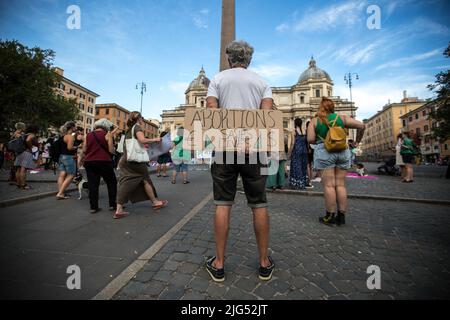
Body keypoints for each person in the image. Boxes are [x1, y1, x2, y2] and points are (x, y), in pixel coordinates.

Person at [205, 40, 275, 282]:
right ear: (249, 60)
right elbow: (266, 116)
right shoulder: (262, 83)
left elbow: (211, 111)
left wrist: (229, 138)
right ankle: (264, 263)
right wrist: (249, 139)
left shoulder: (218, 80)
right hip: (254, 149)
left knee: (223, 204)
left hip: (225, 148)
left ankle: (219, 263)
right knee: (259, 204)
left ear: (229, 59)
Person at [307, 97, 365, 226]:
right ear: (332, 107)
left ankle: (330, 216)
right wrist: (357, 142)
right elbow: (362, 126)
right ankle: (342, 216)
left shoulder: (315, 121)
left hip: (325, 151)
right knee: (340, 185)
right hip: (342, 150)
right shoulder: (342, 119)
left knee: (329, 185)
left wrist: (319, 136)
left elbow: (310, 139)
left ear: (320, 108)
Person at [115, 112, 168, 219]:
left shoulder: (129, 129)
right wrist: (155, 139)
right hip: (136, 160)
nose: (142, 120)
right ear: (138, 118)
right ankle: (154, 202)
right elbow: (142, 139)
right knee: (144, 179)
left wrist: (144, 144)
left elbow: (133, 144)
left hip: (128, 159)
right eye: (142, 118)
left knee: (129, 181)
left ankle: (119, 209)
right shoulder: (137, 127)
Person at [80, 119, 119, 213]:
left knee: (93, 184)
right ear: (105, 126)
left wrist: (81, 160)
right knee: (111, 183)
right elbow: (110, 150)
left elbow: (84, 150)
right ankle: (112, 205)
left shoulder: (88, 135)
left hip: (90, 162)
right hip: (104, 161)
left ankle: (93, 207)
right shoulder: (107, 134)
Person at [56, 121, 79, 200]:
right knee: (71, 175)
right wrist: (76, 147)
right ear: (72, 128)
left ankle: (61, 192)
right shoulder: (70, 136)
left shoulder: (63, 136)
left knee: (62, 174)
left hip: (61, 157)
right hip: (69, 157)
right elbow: (69, 148)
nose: (76, 128)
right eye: (75, 127)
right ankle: (60, 193)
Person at [14, 124, 40, 189]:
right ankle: (23, 185)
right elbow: (28, 140)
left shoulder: (24, 135)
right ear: (35, 130)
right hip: (27, 153)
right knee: (23, 169)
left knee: (18, 169)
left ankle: (18, 184)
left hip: (20, 152)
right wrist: (31, 147)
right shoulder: (32, 135)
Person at [289, 118, 311, 189]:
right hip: (304, 151)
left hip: (297, 151)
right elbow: (307, 142)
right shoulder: (304, 131)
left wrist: (290, 152)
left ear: (295, 123)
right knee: (303, 166)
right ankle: (303, 182)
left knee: (296, 167)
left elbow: (292, 143)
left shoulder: (294, 131)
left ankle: (297, 183)